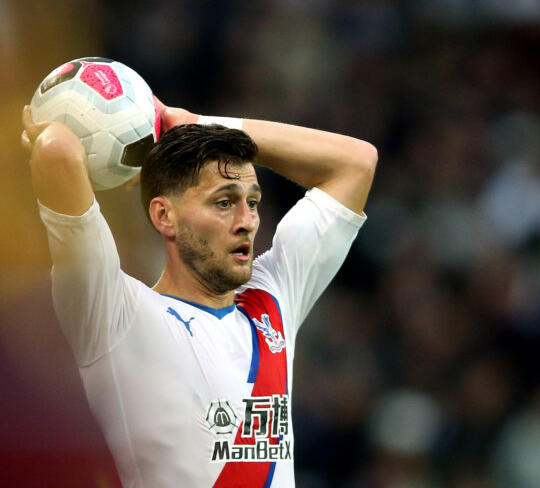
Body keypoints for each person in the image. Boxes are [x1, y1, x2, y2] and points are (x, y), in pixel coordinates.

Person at [21, 100, 377, 487]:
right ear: (164, 216)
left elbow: (357, 162)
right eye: (224, 203)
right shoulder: (114, 314)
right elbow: (58, 149)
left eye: (252, 203)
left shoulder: (273, 297)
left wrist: (198, 123)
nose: (247, 222)